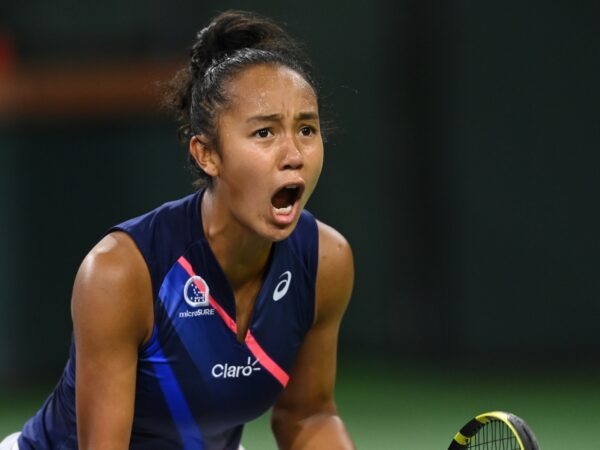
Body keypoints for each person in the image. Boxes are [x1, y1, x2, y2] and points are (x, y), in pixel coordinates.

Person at [1, 10, 355, 450]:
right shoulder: (121, 273)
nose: (293, 153)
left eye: (306, 129)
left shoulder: (324, 261)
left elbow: (309, 415)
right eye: (264, 133)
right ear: (207, 154)